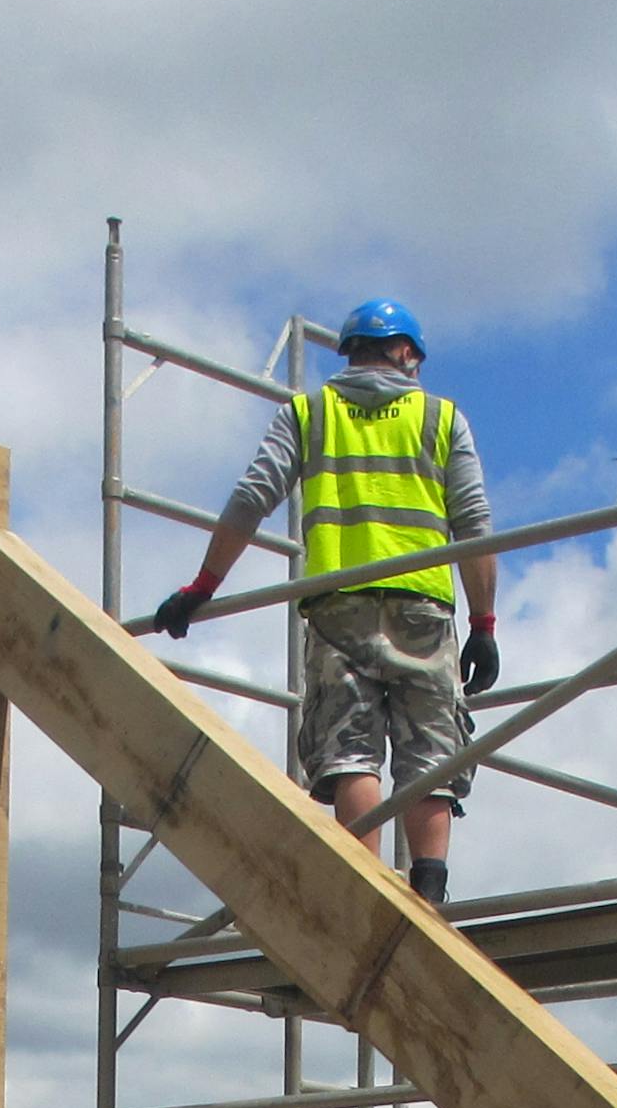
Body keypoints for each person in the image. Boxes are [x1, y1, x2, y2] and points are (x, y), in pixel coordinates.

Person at [152, 299, 499, 907]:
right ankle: (430, 893)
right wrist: (485, 623)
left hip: (338, 608)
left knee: (351, 752)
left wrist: (201, 587)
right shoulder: (442, 418)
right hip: (422, 607)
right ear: (407, 352)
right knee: (431, 751)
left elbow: (250, 498)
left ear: (349, 353)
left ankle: (367, 896)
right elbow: (474, 524)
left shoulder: (310, 413)